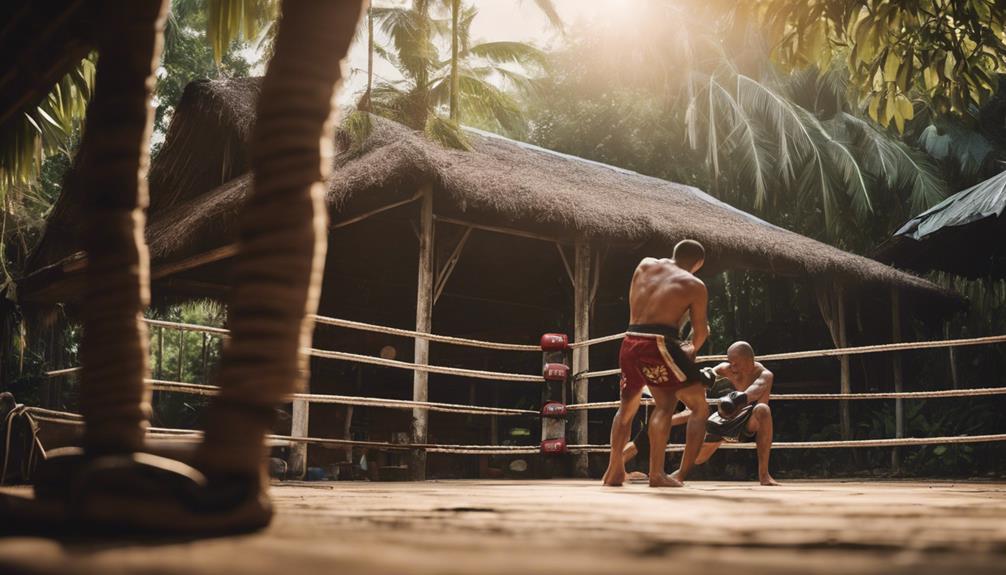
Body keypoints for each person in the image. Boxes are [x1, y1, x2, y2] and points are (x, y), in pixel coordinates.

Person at [602, 239, 712, 487]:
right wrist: (690, 350)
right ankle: (657, 474)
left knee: (627, 407)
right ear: (698, 263)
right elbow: (701, 331)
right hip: (658, 344)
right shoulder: (695, 285)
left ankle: (614, 469)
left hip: (629, 341)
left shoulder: (645, 264)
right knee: (670, 404)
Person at [669, 341, 780, 486]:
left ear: (749, 360)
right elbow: (705, 378)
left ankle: (764, 475)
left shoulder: (765, 374)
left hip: (748, 422)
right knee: (699, 457)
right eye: (730, 362)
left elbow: (755, 390)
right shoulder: (725, 369)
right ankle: (678, 474)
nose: (732, 367)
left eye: (735, 363)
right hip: (726, 418)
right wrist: (704, 380)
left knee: (763, 410)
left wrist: (737, 399)